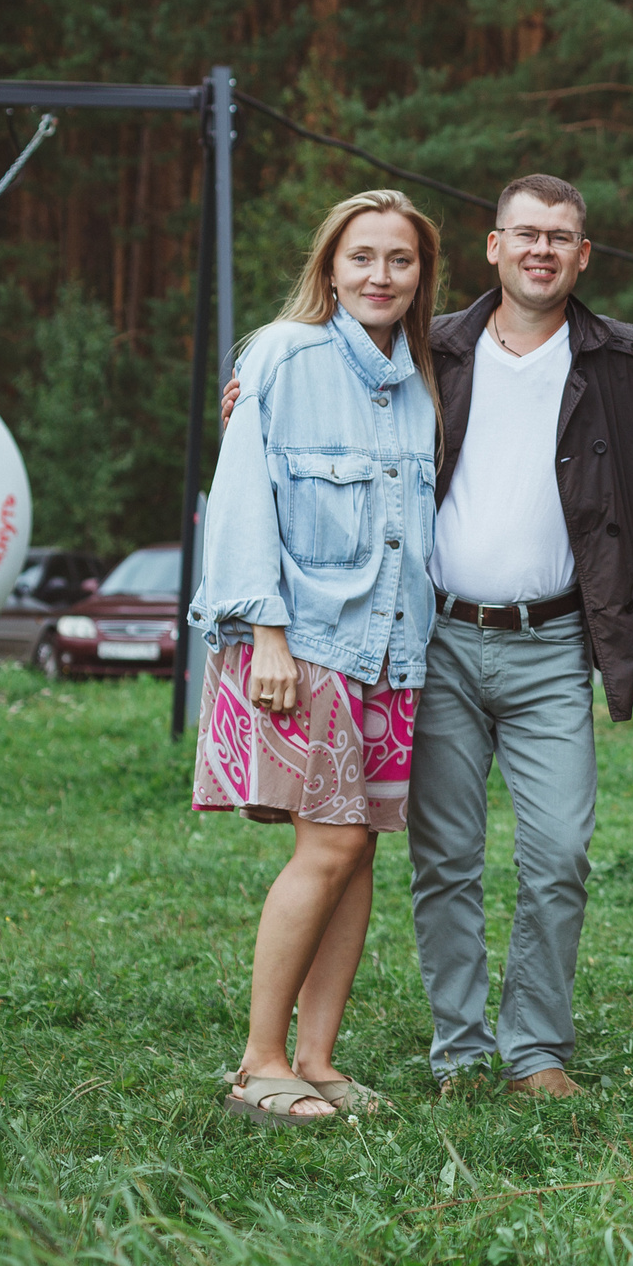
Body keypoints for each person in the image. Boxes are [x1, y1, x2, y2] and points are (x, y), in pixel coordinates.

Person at [408, 174, 633, 1099]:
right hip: (439, 640)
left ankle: (534, 1049)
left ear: (582, 256)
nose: (542, 249)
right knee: (444, 859)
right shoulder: (430, 346)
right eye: (526, 233)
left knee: (559, 853)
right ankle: (460, 1051)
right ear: (493, 246)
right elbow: (331, 388)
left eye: (560, 237)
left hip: (551, 647)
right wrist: (255, 390)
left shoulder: (624, 359)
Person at [190, 189, 443, 1125]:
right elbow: (241, 495)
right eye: (362, 256)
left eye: (400, 259)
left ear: (421, 276)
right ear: (329, 268)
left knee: (359, 849)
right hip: (305, 644)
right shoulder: (282, 355)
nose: (381, 275)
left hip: (392, 649)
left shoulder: (420, 377)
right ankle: (259, 1064)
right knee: (329, 843)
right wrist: (264, 631)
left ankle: (319, 1058)